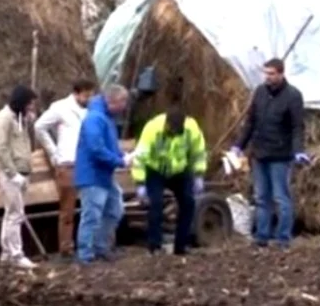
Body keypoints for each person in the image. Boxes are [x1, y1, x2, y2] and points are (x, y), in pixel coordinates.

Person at [226, 58, 307, 249]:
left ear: (281, 73)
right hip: (260, 153)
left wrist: (297, 151)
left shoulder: (293, 96)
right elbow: (251, 123)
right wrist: (239, 145)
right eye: (266, 73)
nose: (267, 77)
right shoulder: (260, 93)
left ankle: (283, 238)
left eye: (271, 74)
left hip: (280, 154)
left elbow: (297, 127)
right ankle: (262, 236)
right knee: (261, 197)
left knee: (281, 197)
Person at [131, 106, 207, 256]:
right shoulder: (153, 129)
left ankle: (181, 245)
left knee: (188, 202)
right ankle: (154, 246)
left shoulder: (191, 129)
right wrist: (140, 183)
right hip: (156, 170)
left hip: (179, 170)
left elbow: (198, 153)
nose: (173, 133)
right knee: (156, 204)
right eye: (171, 130)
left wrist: (198, 174)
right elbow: (140, 158)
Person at [34, 79, 96, 259]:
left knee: (90, 205)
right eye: (85, 95)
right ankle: (66, 247)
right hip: (68, 161)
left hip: (87, 161)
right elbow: (40, 126)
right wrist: (54, 151)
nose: (88, 99)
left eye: (90, 95)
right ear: (76, 93)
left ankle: (87, 245)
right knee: (67, 209)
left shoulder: (91, 110)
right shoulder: (60, 107)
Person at [74, 84, 131, 265]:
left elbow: (109, 145)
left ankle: (100, 246)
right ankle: (85, 254)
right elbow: (96, 149)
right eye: (123, 102)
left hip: (104, 174)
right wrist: (119, 161)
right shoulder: (95, 118)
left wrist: (123, 155)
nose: (124, 107)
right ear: (112, 101)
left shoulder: (106, 118)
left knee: (115, 209)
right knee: (91, 214)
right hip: (92, 174)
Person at [0, 84, 39, 269]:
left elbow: (21, 142)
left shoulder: (20, 118)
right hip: (12, 173)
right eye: (29, 104)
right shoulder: (2, 119)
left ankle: (6, 252)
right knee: (16, 215)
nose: (31, 107)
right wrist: (12, 173)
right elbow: (1, 148)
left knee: (11, 213)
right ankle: (16, 254)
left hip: (23, 170)